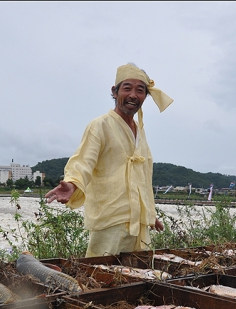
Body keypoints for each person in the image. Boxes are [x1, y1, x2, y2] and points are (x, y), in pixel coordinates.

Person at [45, 63, 173, 257]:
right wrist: (72, 183)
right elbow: (84, 160)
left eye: (140, 90)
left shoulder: (140, 131)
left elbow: (144, 176)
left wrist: (148, 212)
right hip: (110, 219)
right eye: (127, 88)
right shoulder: (100, 125)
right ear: (114, 92)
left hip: (139, 222)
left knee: (137, 276)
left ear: (145, 97)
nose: (133, 95)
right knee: (101, 274)